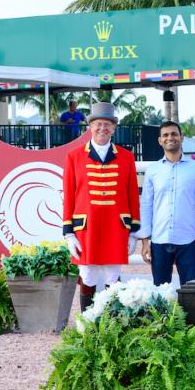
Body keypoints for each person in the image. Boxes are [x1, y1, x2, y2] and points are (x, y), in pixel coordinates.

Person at [63, 102, 140, 311]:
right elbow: (69, 195)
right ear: (90, 127)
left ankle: (110, 325)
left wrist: (133, 232)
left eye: (107, 124)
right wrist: (69, 233)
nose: (102, 128)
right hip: (86, 228)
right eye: (98, 124)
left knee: (112, 276)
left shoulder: (126, 157)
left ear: (114, 128)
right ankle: (87, 324)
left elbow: (132, 195)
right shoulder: (74, 156)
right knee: (87, 275)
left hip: (116, 227)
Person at [136, 121, 195, 286]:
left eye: (174, 134)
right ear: (160, 140)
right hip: (159, 240)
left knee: (191, 292)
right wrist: (145, 241)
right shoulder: (153, 171)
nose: (170, 138)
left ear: (181, 137)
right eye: (165, 135)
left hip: (188, 239)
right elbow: (146, 206)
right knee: (160, 294)